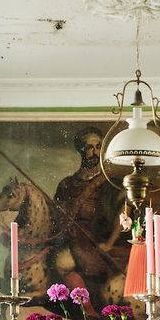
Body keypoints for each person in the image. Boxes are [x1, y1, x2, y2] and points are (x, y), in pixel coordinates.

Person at [51, 125, 126, 297]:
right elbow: (57, 214)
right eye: (89, 147)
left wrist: (110, 243)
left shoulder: (112, 182)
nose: (95, 151)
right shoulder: (66, 184)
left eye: (98, 146)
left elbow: (124, 212)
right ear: (81, 150)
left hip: (100, 237)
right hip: (73, 238)